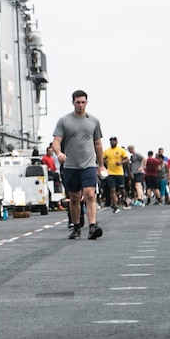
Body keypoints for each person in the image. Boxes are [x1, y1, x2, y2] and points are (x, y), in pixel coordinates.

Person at [52, 90, 104, 240]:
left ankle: (93, 226)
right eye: (78, 102)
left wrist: (100, 165)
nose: (80, 105)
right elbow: (56, 141)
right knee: (74, 198)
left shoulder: (93, 121)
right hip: (70, 165)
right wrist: (59, 153)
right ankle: (76, 226)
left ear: (87, 102)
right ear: (73, 103)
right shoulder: (64, 121)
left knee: (89, 193)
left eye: (83, 102)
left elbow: (98, 144)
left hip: (88, 164)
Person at [101, 136, 129, 212]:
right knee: (112, 189)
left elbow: (127, 159)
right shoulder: (107, 151)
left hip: (119, 173)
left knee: (122, 189)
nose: (112, 143)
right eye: (111, 141)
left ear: (116, 142)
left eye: (113, 141)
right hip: (110, 173)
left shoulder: (121, 150)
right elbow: (102, 159)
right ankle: (115, 204)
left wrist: (121, 162)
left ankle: (125, 200)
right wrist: (103, 164)